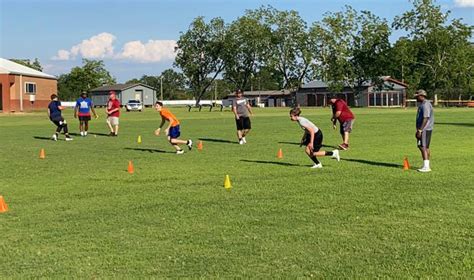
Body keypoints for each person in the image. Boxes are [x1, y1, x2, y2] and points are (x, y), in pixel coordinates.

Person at [414, 89, 434, 172]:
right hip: (425, 129)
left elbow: (426, 118)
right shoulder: (422, 104)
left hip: (425, 129)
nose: (416, 98)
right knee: (424, 146)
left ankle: (426, 167)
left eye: (417, 96)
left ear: (421, 96)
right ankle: (426, 165)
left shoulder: (425, 105)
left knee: (423, 146)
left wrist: (420, 130)